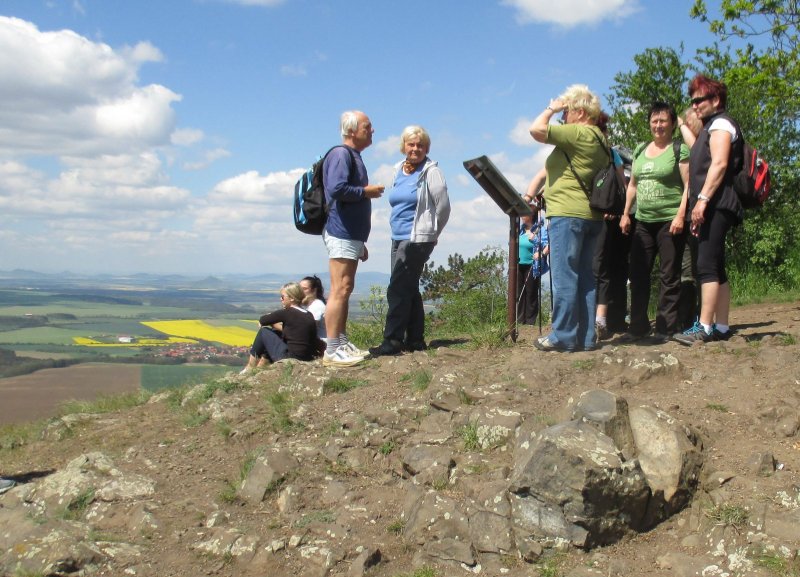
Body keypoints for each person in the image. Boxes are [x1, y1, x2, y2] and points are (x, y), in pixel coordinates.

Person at [528, 84, 606, 352]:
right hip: (592, 216)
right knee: (585, 278)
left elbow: (536, 129)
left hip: (567, 214)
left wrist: (552, 108)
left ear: (580, 112)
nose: (564, 116)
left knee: (564, 276)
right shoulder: (599, 137)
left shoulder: (578, 132)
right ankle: (585, 338)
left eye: (568, 111)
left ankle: (562, 336)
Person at [370, 126, 450, 356]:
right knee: (409, 287)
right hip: (398, 236)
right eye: (411, 144)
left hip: (417, 239)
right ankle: (414, 339)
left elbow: (443, 206)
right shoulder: (398, 170)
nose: (415, 149)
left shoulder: (431, 172)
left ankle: (393, 340)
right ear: (403, 146)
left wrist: (433, 233)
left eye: (420, 145)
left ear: (427, 148)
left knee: (397, 289)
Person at [675, 75, 743, 344]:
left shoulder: (722, 124)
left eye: (699, 100)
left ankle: (703, 327)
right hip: (714, 203)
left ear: (715, 100)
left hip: (716, 203)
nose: (694, 105)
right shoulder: (709, 127)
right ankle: (722, 328)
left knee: (705, 266)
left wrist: (701, 201)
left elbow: (720, 164)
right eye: (692, 101)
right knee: (717, 267)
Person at [619, 102, 690, 341]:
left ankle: (665, 328)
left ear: (672, 124)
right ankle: (638, 327)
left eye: (663, 121)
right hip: (643, 221)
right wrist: (626, 213)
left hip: (670, 220)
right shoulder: (640, 149)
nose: (658, 125)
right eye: (654, 121)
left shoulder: (679, 149)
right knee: (638, 275)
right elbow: (633, 185)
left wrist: (681, 215)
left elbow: (688, 185)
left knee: (669, 276)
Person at [322, 111, 385, 366]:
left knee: (345, 288)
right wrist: (365, 192)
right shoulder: (341, 154)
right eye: (367, 127)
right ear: (351, 130)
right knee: (340, 289)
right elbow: (336, 188)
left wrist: (360, 240)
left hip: (350, 234)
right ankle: (332, 348)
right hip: (341, 231)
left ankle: (341, 342)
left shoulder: (353, 156)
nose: (372, 131)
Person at [592, 111, 631, 341]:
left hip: (608, 217)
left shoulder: (611, 154)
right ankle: (600, 319)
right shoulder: (605, 153)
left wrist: (616, 207)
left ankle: (602, 320)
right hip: (599, 216)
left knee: (604, 268)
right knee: (600, 268)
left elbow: (622, 185)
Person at [240, 282, 319, 372]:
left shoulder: (287, 312)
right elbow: (294, 332)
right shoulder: (309, 315)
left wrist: (271, 321)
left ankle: (250, 368)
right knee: (276, 333)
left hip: (290, 358)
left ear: (292, 298)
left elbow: (263, 320)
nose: (280, 299)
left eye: (282, 297)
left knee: (264, 332)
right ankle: (261, 368)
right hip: (306, 358)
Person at [676, 107, 703, 330]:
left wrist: (681, 124)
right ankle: (686, 318)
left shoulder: (705, 141)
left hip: (702, 215)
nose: (688, 122)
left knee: (702, 268)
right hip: (684, 216)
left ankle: (703, 318)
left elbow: (696, 150)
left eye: (690, 120)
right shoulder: (681, 147)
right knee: (686, 271)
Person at [516, 204, 549, 326]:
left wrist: (540, 253)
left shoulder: (540, 230)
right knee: (519, 293)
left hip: (532, 265)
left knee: (531, 293)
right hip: (519, 264)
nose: (522, 215)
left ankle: (530, 321)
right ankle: (520, 321)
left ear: (531, 215)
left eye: (524, 213)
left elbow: (547, 245)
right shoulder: (519, 229)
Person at [300, 275, 327, 342]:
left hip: (321, 343)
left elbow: (309, 329)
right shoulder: (310, 305)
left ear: (314, 290)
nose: (301, 291)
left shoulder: (317, 306)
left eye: (304, 289)